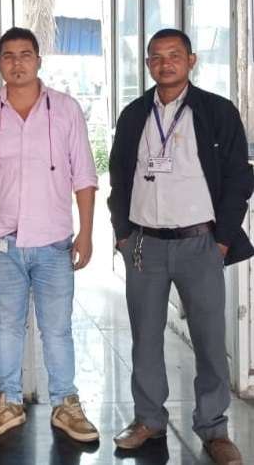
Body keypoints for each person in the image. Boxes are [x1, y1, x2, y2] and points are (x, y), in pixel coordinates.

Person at [108, 28, 253, 465]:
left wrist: (222, 240)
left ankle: (213, 428)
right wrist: (122, 234)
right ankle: (149, 420)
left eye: (174, 55)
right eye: (156, 56)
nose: (164, 63)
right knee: (145, 339)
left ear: (191, 61)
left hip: (200, 244)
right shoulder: (134, 114)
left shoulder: (216, 111)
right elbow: (119, 176)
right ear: (147, 64)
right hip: (144, 246)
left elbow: (239, 178)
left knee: (209, 340)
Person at [0, 27, 99, 443]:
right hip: (3, 243)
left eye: (25, 54)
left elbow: (84, 175)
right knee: (7, 325)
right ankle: (8, 401)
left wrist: (86, 233)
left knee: (56, 329)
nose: (17, 63)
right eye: (8, 56)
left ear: (39, 60)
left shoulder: (66, 110)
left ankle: (65, 404)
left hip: (54, 242)